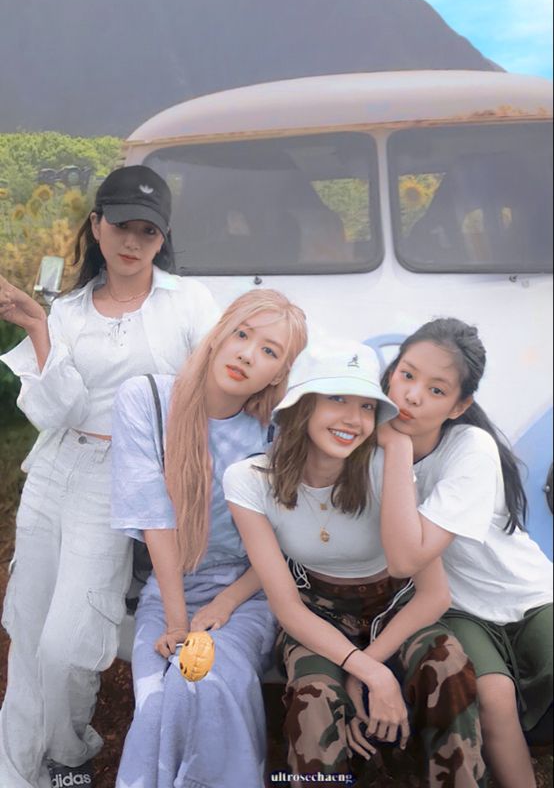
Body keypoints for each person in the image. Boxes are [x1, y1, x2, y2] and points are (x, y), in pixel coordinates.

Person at [0, 166, 219, 788]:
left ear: (163, 237)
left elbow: (210, 393)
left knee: (67, 642)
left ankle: (69, 751)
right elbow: (53, 411)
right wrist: (39, 329)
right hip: (55, 468)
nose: (132, 241)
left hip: (124, 476)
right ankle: (18, 772)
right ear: (96, 226)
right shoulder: (66, 309)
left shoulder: (189, 304)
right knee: (26, 627)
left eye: (147, 231)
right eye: (121, 225)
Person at [223, 344, 487, 786]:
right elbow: (288, 609)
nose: (353, 418)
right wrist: (367, 672)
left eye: (366, 406)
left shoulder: (386, 468)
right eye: (337, 399)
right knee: (313, 698)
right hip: (314, 610)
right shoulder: (249, 480)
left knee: (447, 665)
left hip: (395, 605)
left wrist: (364, 667)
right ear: (303, 404)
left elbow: (434, 594)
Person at [110, 287, 308, 788]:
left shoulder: (276, 434)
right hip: (168, 589)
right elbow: (155, 518)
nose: (247, 354)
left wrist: (224, 604)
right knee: (157, 703)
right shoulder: (148, 400)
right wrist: (177, 621)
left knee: (204, 681)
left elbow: (282, 540)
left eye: (269, 351)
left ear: (279, 375)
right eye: (242, 334)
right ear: (218, 334)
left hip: (248, 593)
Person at [377, 317, 553, 788]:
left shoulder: (470, 447)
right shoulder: (368, 443)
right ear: (392, 371)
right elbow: (405, 565)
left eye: (437, 390)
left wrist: (395, 446)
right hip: (458, 607)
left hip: (530, 594)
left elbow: (409, 555)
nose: (413, 396)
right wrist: (393, 449)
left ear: (460, 405)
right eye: (407, 375)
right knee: (494, 696)